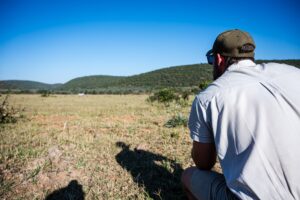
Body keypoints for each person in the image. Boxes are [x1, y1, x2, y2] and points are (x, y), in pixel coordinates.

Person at [181, 29, 300, 200]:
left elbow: (204, 163)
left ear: (219, 59)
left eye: (212, 60)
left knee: (188, 176)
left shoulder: (207, 97)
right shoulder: (293, 73)